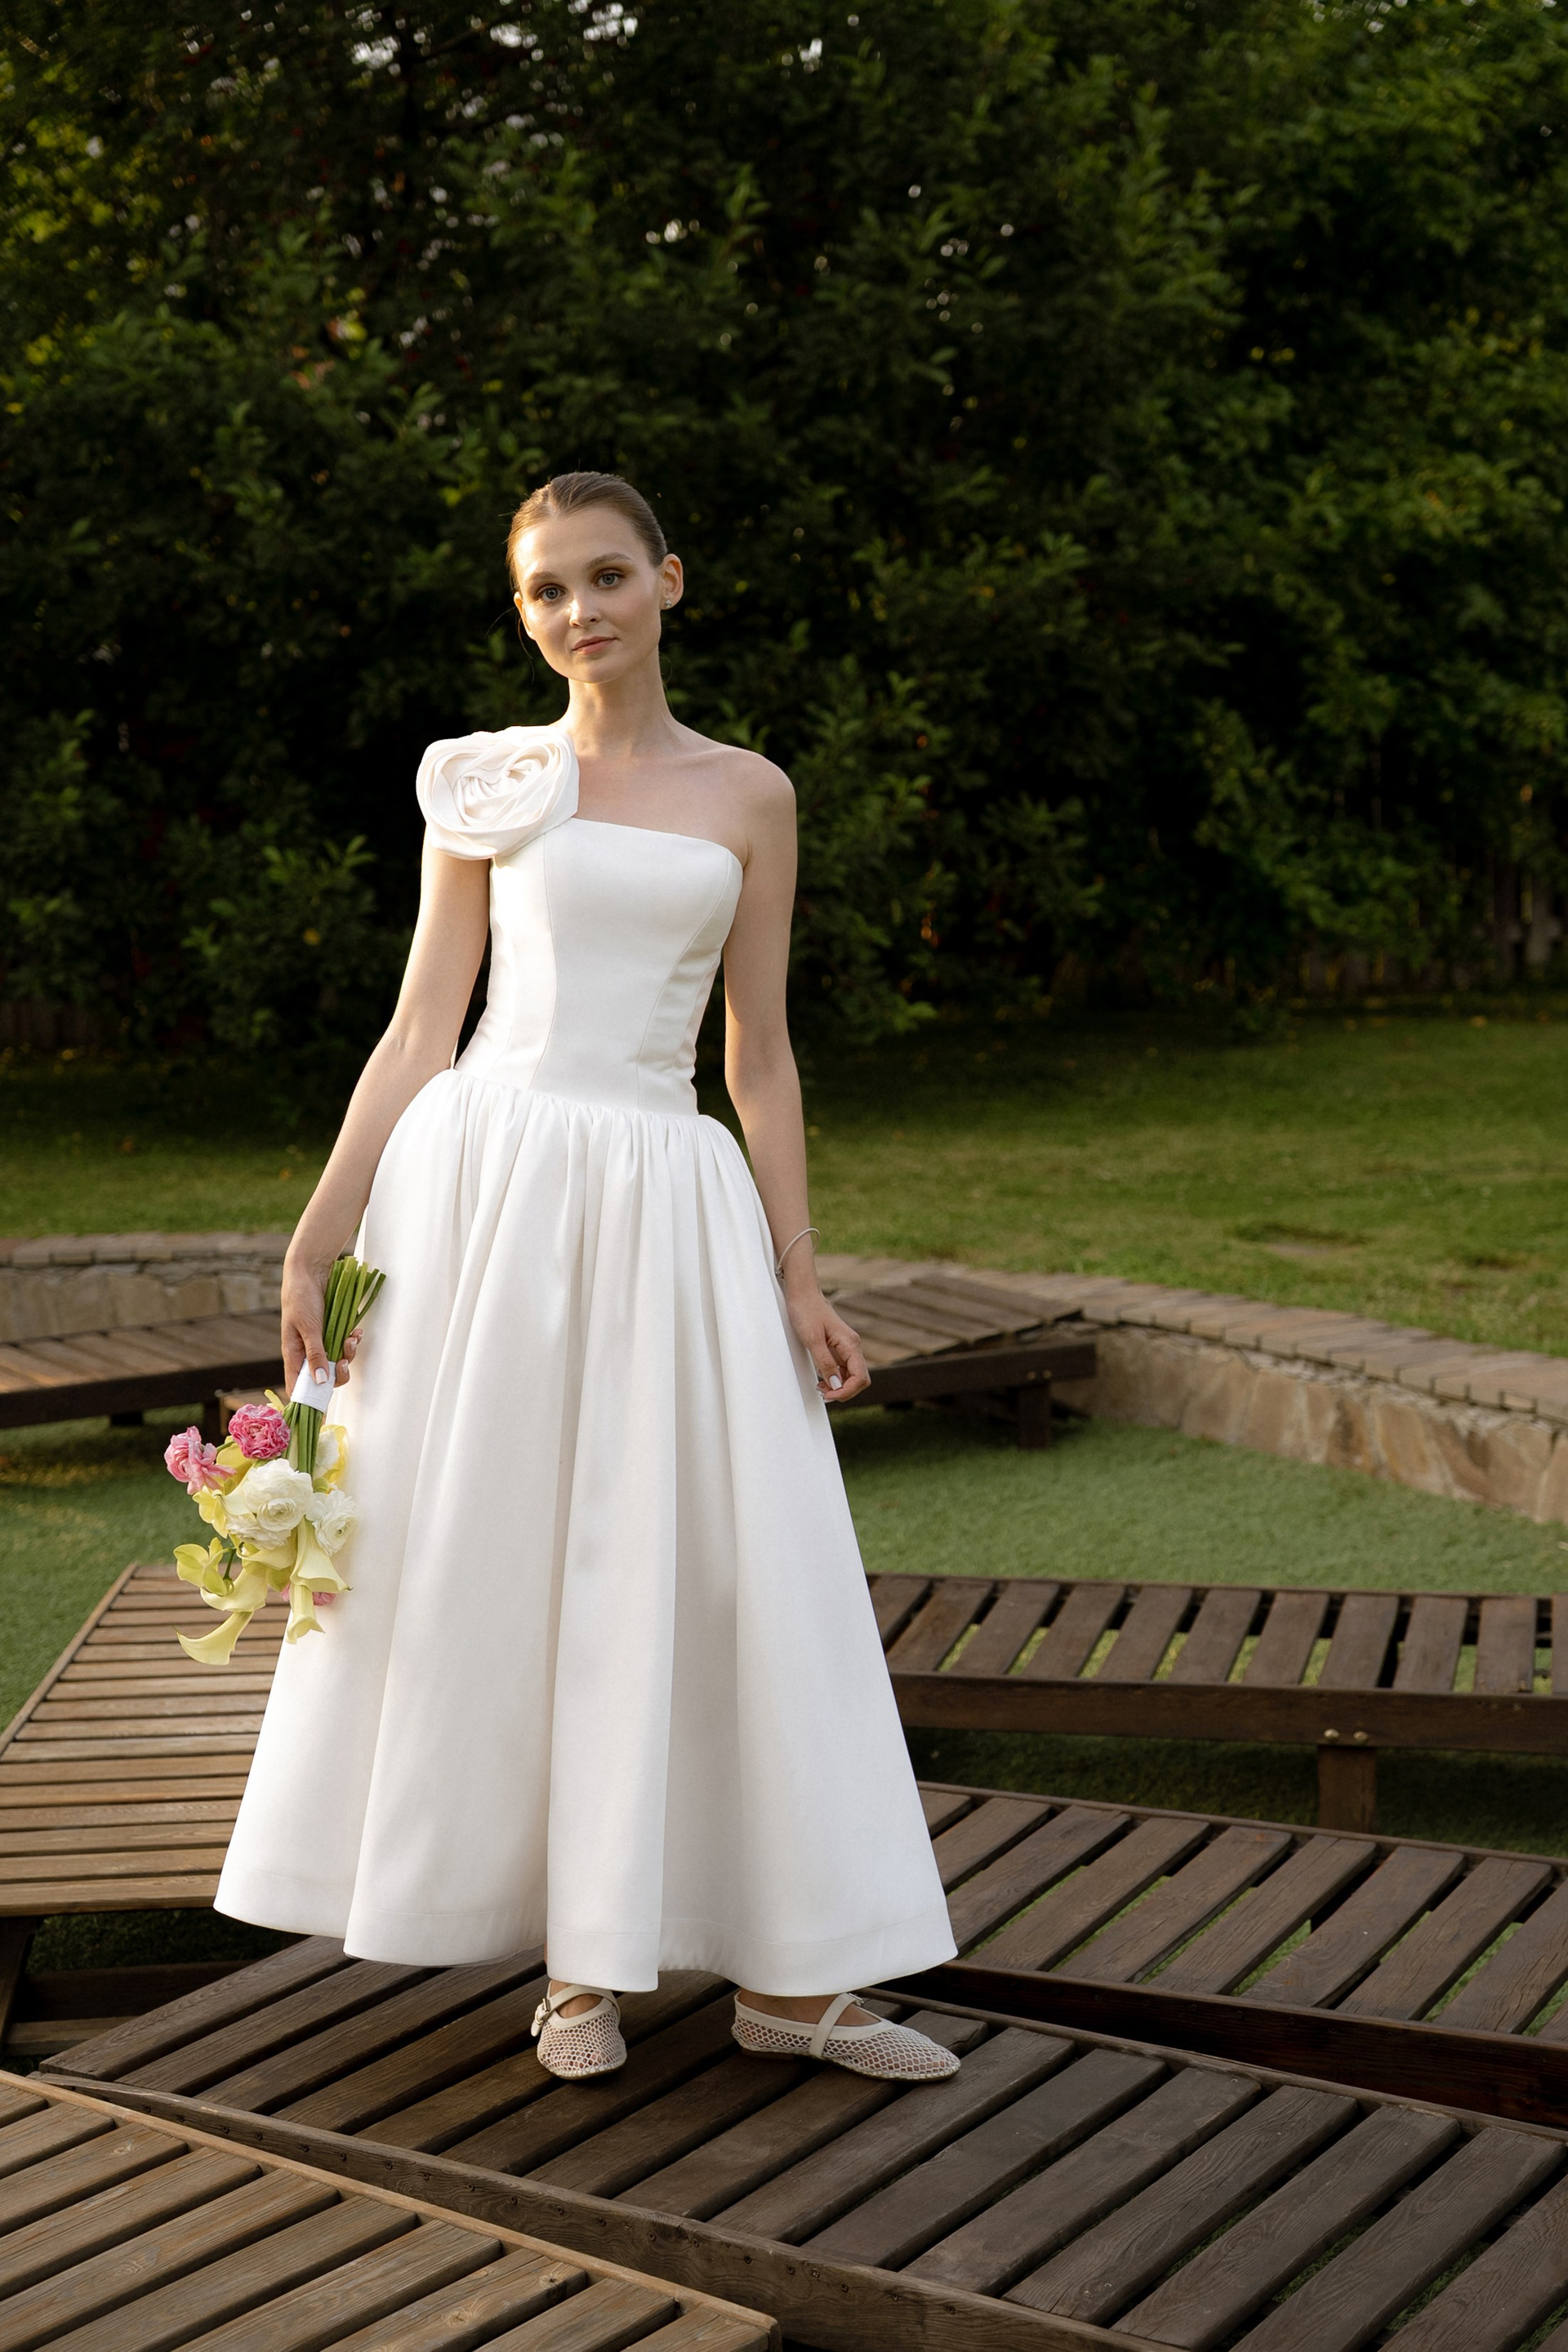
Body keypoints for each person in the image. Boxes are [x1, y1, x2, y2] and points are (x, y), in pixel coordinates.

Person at [216, 470, 959, 2083]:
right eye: (547, 590)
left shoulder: (750, 794)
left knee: (702, 1566)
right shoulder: (488, 782)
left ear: (669, 580)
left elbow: (759, 1054)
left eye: (607, 576)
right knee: (486, 1552)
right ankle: (573, 1975)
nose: (580, 611)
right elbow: (422, 1028)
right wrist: (320, 1232)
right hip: (476, 1195)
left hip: (665, 1196)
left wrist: (800, 1276)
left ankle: (787, 1982)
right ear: (523, 613)